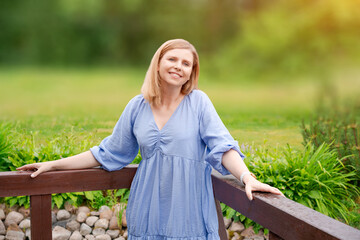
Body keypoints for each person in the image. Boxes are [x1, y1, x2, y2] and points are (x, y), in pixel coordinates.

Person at [17, 39, 284, 239]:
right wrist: (53, 164)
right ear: (158, 63)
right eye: (172, 59)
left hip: (188, 208)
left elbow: (223, 147)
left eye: (186, 63)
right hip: (147, 206)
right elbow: (107, 153)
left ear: (191, 73)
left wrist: (247, 177)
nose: (178, 66)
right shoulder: (137, 106)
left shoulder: (198, 103)